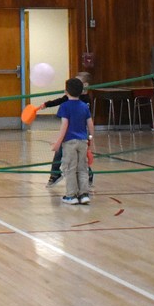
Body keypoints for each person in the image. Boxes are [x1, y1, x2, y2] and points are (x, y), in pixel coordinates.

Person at [40, 71, 93, 187]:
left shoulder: (85, 102)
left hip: (80, 134)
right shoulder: (69, 98)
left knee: (81, 155)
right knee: (60, 152)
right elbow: (60, 100)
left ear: (85, 86)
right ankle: (55, 175)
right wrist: (46, 104)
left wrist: (90, 138)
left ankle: (88, 175)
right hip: (69, 133)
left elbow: (89, 122)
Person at [51, 77, 95, 205]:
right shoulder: (84, 106)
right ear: (82, 91)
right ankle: (84, 194)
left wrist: (57, 143)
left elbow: (64, 126)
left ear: (66, 92)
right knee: (82, 168)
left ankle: (71, 196)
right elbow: (90, 125)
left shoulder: (64, 106)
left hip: (69, 143)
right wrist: (90, 141)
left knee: (70, 168)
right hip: (82, 142)